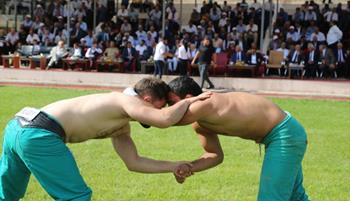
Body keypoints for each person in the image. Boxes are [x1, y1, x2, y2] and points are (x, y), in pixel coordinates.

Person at [0, 78, 211, 201]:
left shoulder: (120, 124)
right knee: (77, 198)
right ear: (146, 99)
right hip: (38, 135)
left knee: (8, 196)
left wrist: (174, 166)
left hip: (17, 128)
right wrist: (190, 101)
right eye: (161, 105)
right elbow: (164, 120)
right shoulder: (125, 100)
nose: (164, 110)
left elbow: (134, 162)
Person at [167, 76, 309, 201]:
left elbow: (165, 119)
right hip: (282, 135)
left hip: (284, 133)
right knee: (295, 197)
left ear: (188, 99)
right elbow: (214, 155)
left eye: (172, 103)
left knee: (272, 198)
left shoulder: (208, 102)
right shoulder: (199, 123)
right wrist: (188, 168)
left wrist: (145, 110)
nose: (170, 108)